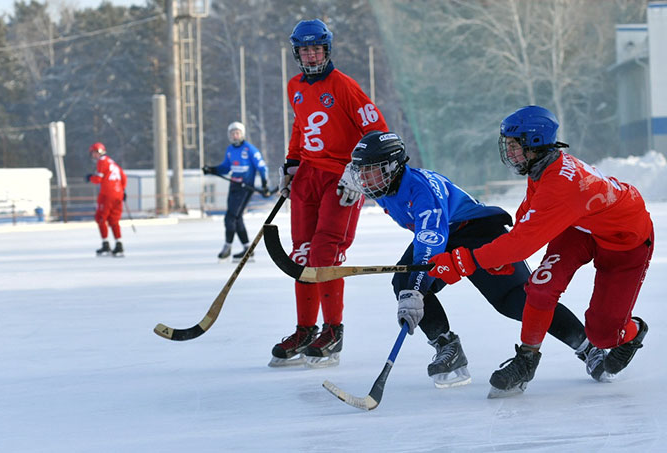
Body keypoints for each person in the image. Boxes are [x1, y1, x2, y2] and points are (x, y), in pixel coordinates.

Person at [339, 130, 605, 388]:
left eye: (370, 171)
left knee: (515, 300)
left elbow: (430, 245)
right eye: (360, 172)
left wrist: (418, 288)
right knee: (404, 283)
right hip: (444, 233)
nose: (364, 179)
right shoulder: (385, 184)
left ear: (392, 167)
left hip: (477, 231)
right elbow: (428, 236)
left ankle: (587, 347)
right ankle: (447, 348)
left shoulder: (421, 192)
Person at [425, 105, 654, 397]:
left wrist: (464, 261)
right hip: (580, 229)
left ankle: (632, 332)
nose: (508, 152)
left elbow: (524, 242)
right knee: (540, 289)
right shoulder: (541, 170)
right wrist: (501, 257)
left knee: (603, 334)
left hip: (626, 242)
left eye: (512, 145)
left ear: (533, 143)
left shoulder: (562, 185)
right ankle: (526, 359)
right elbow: (526, 219)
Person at [270, 19, 388, 368]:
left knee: (325, 251)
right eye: (304, 50)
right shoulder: (295, 86)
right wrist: (291, 164)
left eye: (316, 49)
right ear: (297, 53)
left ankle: (333, 330)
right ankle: (305, 329)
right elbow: (301, 125)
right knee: (302, 254)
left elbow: (378, 130)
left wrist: (361, 173)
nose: (310, 55)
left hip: (341, 178)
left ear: (326, 50)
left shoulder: (344, 86)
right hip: (308, 175)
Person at [202, 121, 270, 261]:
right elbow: (226, 168)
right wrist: (212, 169)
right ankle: (247, 249)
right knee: (236, 218)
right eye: (232, 133)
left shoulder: (249, 149)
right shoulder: (230, 150)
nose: (235, 135)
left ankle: (227, 246)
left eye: (237, 132)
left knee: (230, 217)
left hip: (245, 188)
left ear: (242, 134)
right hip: (234, 187)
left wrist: (264, 185)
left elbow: (262, 167)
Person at [86, 142, 128, 257]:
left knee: (100, 218)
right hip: (118, 193)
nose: (93, 155)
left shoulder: (102, 161)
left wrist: (90, 178)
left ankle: (106, 244)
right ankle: (119, 244)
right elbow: (123, 177)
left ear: (98, 152)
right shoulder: (112, 162)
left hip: (107, 194)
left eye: (94, 153)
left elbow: (99, 179)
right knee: (114, 220)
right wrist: (122, 190)